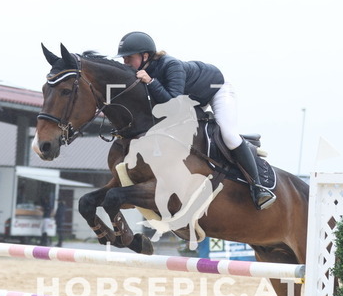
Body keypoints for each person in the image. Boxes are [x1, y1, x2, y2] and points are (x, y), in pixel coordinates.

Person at [115, 31, 275, 210]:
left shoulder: (171, 65)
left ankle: (258, 186)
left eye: (129, 58)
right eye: (124, 58)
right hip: (190, 99)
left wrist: (151, 82)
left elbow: (173, 105)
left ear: (145, 56)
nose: (125, 62)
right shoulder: (142, 72)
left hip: (216, 89)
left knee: (229, 135)